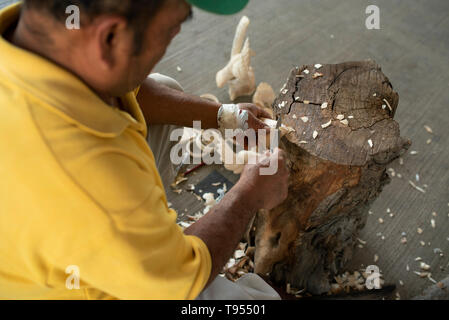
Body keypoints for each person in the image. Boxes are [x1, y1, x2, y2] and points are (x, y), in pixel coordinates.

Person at [0, 0, 289, 299]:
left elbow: (135, 92)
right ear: (110, 37)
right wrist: (248, 196)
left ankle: (146, 238)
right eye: (171, 28)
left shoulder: (39, 38)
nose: (173, 35)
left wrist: (222, 116)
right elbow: (178, 282)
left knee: (165, 87)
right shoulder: (87, 175)